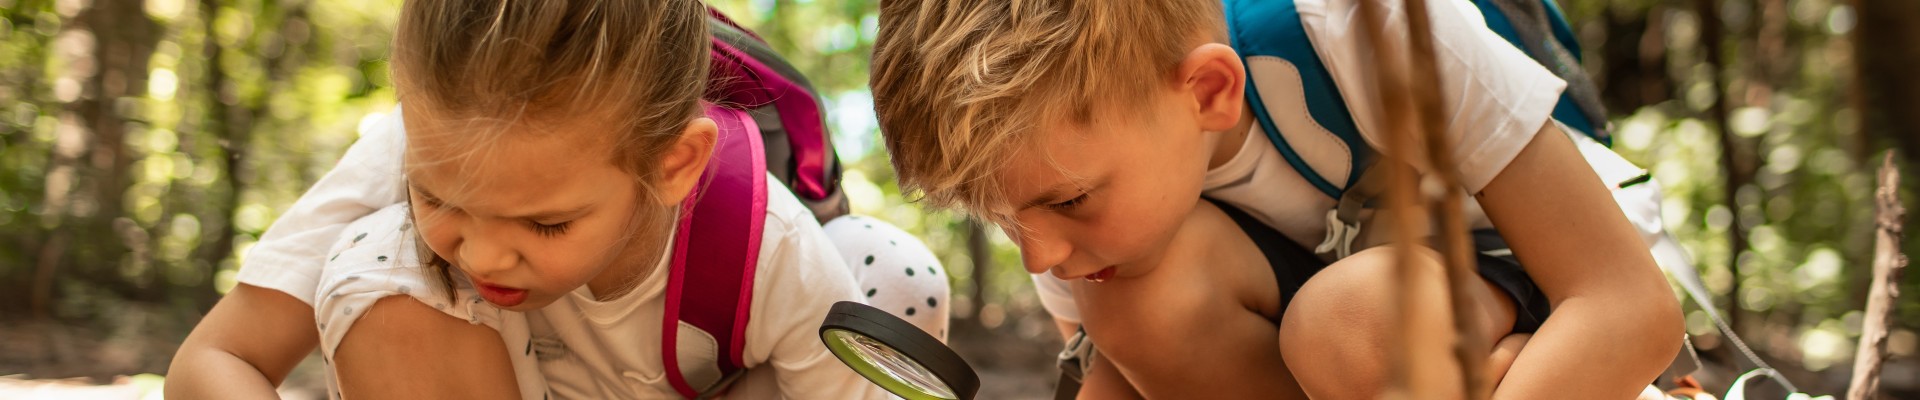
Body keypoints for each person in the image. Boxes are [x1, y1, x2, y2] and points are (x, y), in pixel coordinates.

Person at [867, 0, 1683, 398]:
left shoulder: (1367, 26)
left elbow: (1629, 305)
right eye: (1003, 221)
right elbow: (1118, 375)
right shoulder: (1076, 207)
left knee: (1353, 319)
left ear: (1210, 90)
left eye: (1071, 201)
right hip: (1340, 311)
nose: (1037, 254)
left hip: (1523, 271)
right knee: (1125, 309)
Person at [168, 1, 940, 398]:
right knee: (375, 268)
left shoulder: (763, 238)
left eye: (546, 221)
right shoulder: (417, 141)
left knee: (889, 277)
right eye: (441, 198)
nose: (485, 254)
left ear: (675, 163)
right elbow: (214, 358)